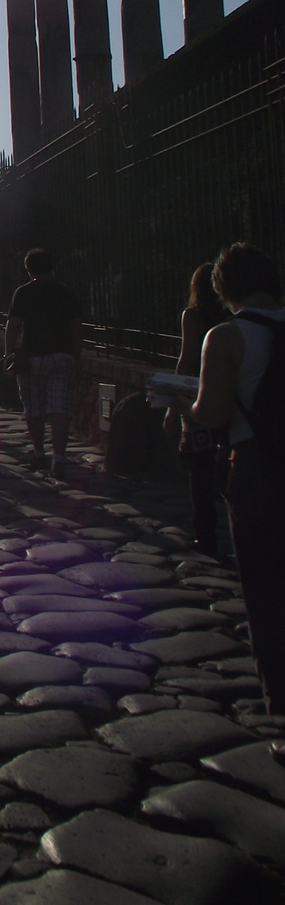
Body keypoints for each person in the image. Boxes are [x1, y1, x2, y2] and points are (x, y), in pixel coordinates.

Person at [171, 243, 285, 717]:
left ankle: (280, 706)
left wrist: (181, 405)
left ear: (224, 289)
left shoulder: (226, 336)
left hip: (259, 467)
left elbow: (212, 414)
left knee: (266, 588)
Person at [4, 247, 83, 480]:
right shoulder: (65, 293)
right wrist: (77, 357)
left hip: (32, 357)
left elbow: (13, 327)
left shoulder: (23, 292)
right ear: (51, 267)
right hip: (62, 355)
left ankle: (39, 453)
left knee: (34, 408)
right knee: (60, 409)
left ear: (29, 270)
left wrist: (8, 353)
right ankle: (58, 457)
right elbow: (76, 328)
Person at [172, 263, 229, 556]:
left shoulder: (193, 316)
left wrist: (174, 404)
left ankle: (205, 535)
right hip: (230, 396)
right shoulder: (232, 315)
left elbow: (187, 358)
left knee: (200, 471)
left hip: (198, 397)